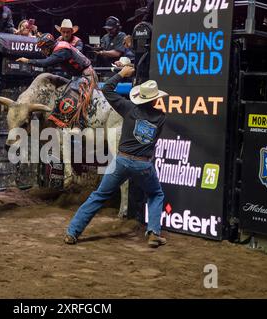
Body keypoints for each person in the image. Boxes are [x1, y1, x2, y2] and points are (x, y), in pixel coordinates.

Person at [64, 66, 168, 248]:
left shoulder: (128, 108)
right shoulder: (160, 118)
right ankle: (153, 233)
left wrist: (121, 74)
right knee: (155, 193)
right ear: (156, 99)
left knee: (98, 196)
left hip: (121, 160)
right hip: (143, 164)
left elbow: (107, 89)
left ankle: (72, 232)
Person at [16, 33, 96, 128]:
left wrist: (28, 61)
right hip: (78, 76)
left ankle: (80, 122)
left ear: (48, 46)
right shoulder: (59, 47)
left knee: (71, 97)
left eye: (43, 48)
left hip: (86, 76)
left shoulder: (61, 51)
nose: (43, 52)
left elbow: (46, 63)